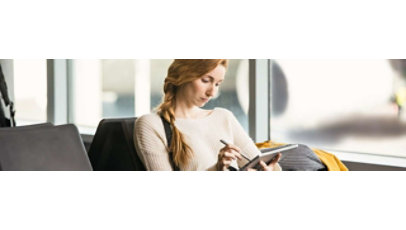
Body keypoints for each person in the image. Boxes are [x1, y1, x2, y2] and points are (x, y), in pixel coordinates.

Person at [133, 59, 281, 171]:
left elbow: (260, 163)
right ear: (182, 75)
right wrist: (217, 169)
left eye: (217, 84)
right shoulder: (151, 124)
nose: (212, 93)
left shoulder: (224, 117)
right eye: (206, 81)